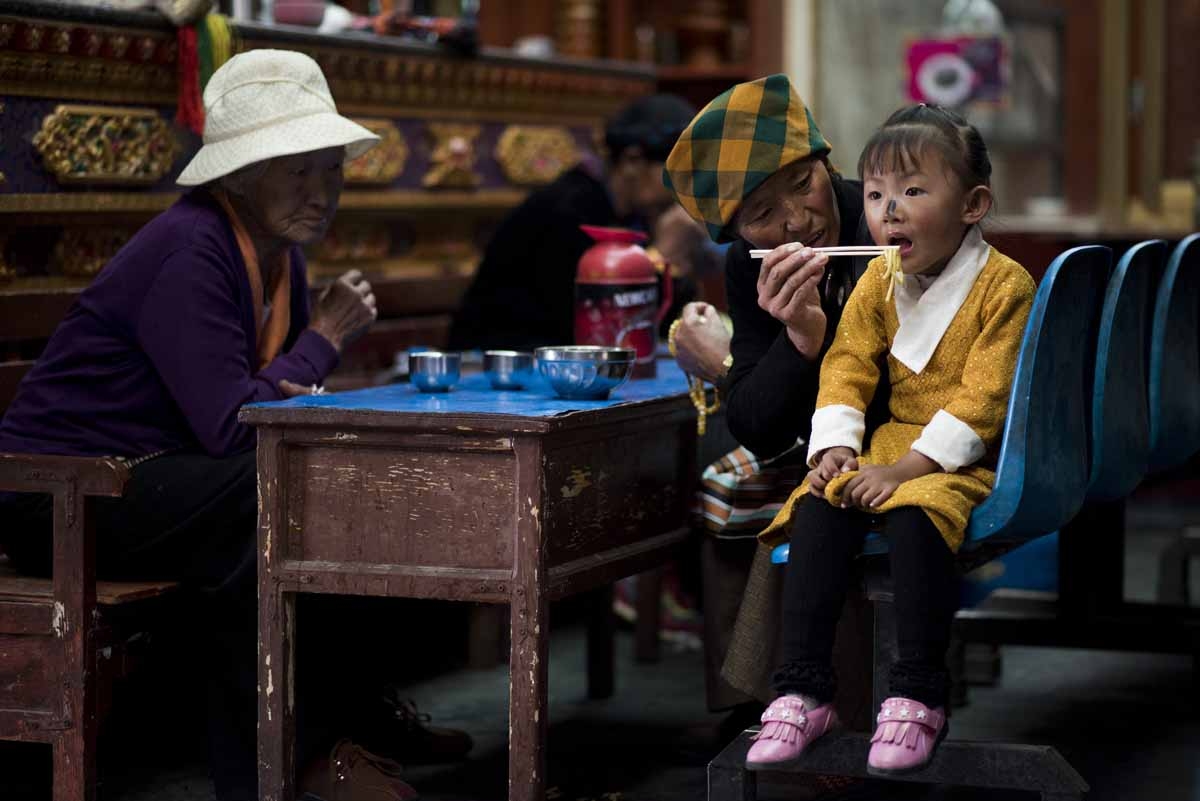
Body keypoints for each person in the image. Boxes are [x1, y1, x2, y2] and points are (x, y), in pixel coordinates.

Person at [0, 49, 457, 801]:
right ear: (240, 173)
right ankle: (292, 765)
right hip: (59, 490)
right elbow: (230, 426)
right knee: (266, 493)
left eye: (331, 169)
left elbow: (253, 407)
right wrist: (325, 339)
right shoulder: (191, 248)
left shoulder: (280, 256)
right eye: (297, 169)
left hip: (151, 476)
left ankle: (348, 724)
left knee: (346, 482)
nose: (320, 192)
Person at [743, 104, 1035, 774]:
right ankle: (804, 688)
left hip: (958, 455)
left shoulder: (1005, 285)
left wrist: (908, 469)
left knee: (914, 515)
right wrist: (835, 449)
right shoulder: (879, 278)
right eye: (875, 195)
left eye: (913, 191)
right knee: (818, 507)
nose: (889, 211)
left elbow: (984, 400)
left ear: (973, 203)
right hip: (887, 449)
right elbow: (845, 362)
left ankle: (917, 694)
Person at [661, 74, 884, 733]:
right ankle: (745, 704)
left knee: (803, 495)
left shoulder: (885, 221)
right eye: (762, 212)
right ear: (738, 234)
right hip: (814, 439)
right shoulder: (751, 265)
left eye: (802, 181)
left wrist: (730, 362)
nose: (796, 218)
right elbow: (757, 425)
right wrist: (800, 338)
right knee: (726, 477)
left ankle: (838, 709)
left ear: (827, 162)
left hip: (908, 438)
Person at [448, 93, 712, 351]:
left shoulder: (642, 215)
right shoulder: (566, 210)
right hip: (499, 363)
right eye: (680, 172)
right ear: (632, 161)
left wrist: (678, 262)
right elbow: (599, 325)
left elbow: (663, 326)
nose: (687, 186)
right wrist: (662, 254)